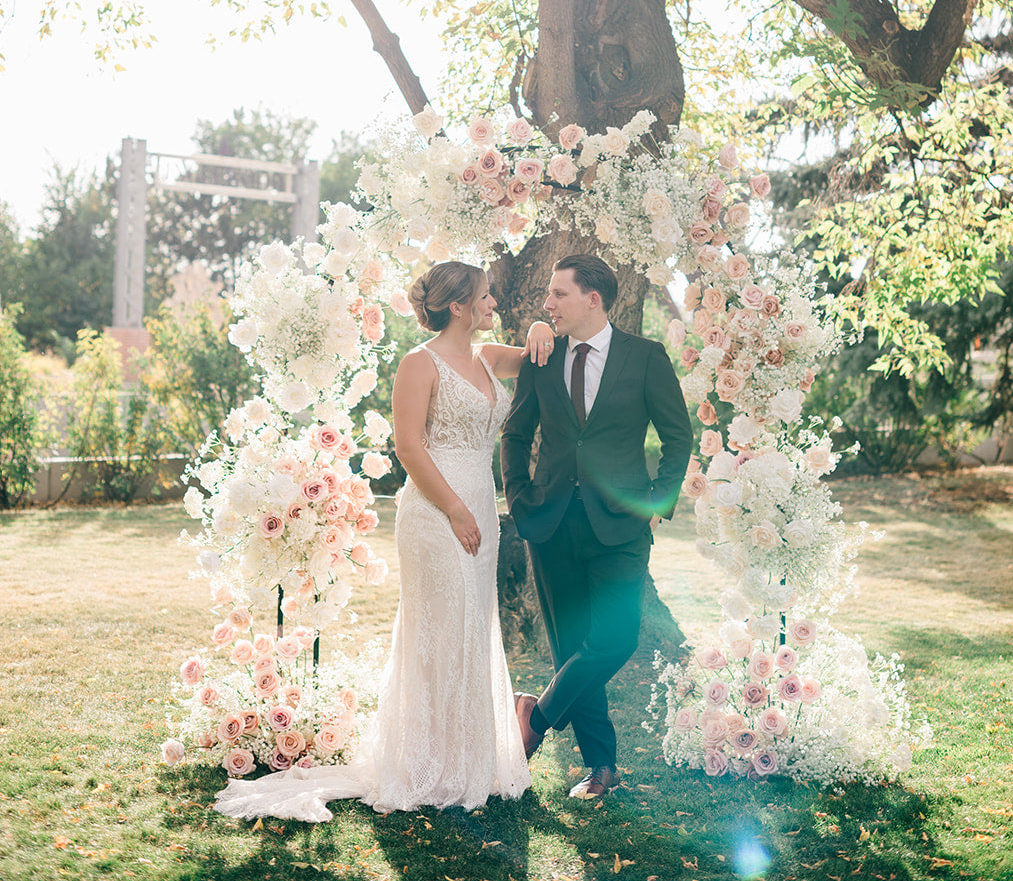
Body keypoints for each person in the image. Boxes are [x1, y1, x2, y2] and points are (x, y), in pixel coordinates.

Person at [214, 261, 554, 821]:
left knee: (472, 625)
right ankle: (424, 763)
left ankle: (467, 758)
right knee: (439, 627)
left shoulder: (489, 358)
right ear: (457, 307)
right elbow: (410, 448)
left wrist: (542, 329)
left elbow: (539, 355)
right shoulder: (419, 364)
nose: (494, 303)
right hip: (437, 510)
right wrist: (455, 510)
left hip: (481, 510)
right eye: (486, 297)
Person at [501, 253, 693, 799]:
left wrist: (656, 502)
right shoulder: (542, 358)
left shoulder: (646, 357)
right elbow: (515, 435)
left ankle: (533, 720)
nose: (547, 303)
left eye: (558, 294)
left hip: (622, 526)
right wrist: (519, 496)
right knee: (570, 647)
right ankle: (601, 767)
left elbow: (678, 437)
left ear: (593, 299)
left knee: (615, 637)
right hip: (552, 521)